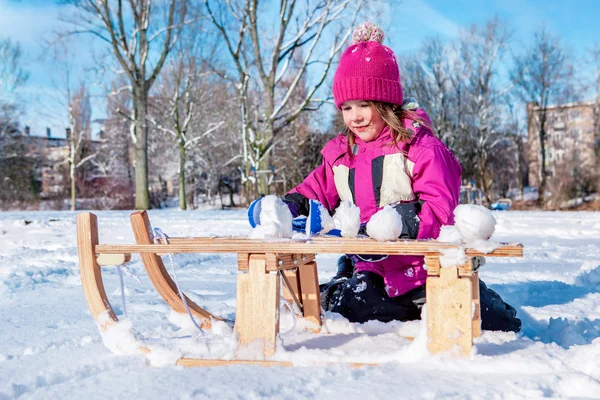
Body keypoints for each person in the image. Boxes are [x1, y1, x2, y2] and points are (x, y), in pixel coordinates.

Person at [254, 22, 521, 332]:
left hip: (423, 268)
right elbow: (316, 190)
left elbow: (439, 209)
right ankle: (343, 288)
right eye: (347, 107)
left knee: (499, 325)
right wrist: (286, 207)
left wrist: (397, 222)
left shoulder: (420, 149)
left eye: (365, 105)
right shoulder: (343, 154)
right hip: (370, 268)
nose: (355, 116)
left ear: (386, 103)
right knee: (356, 309)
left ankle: (439, 300)